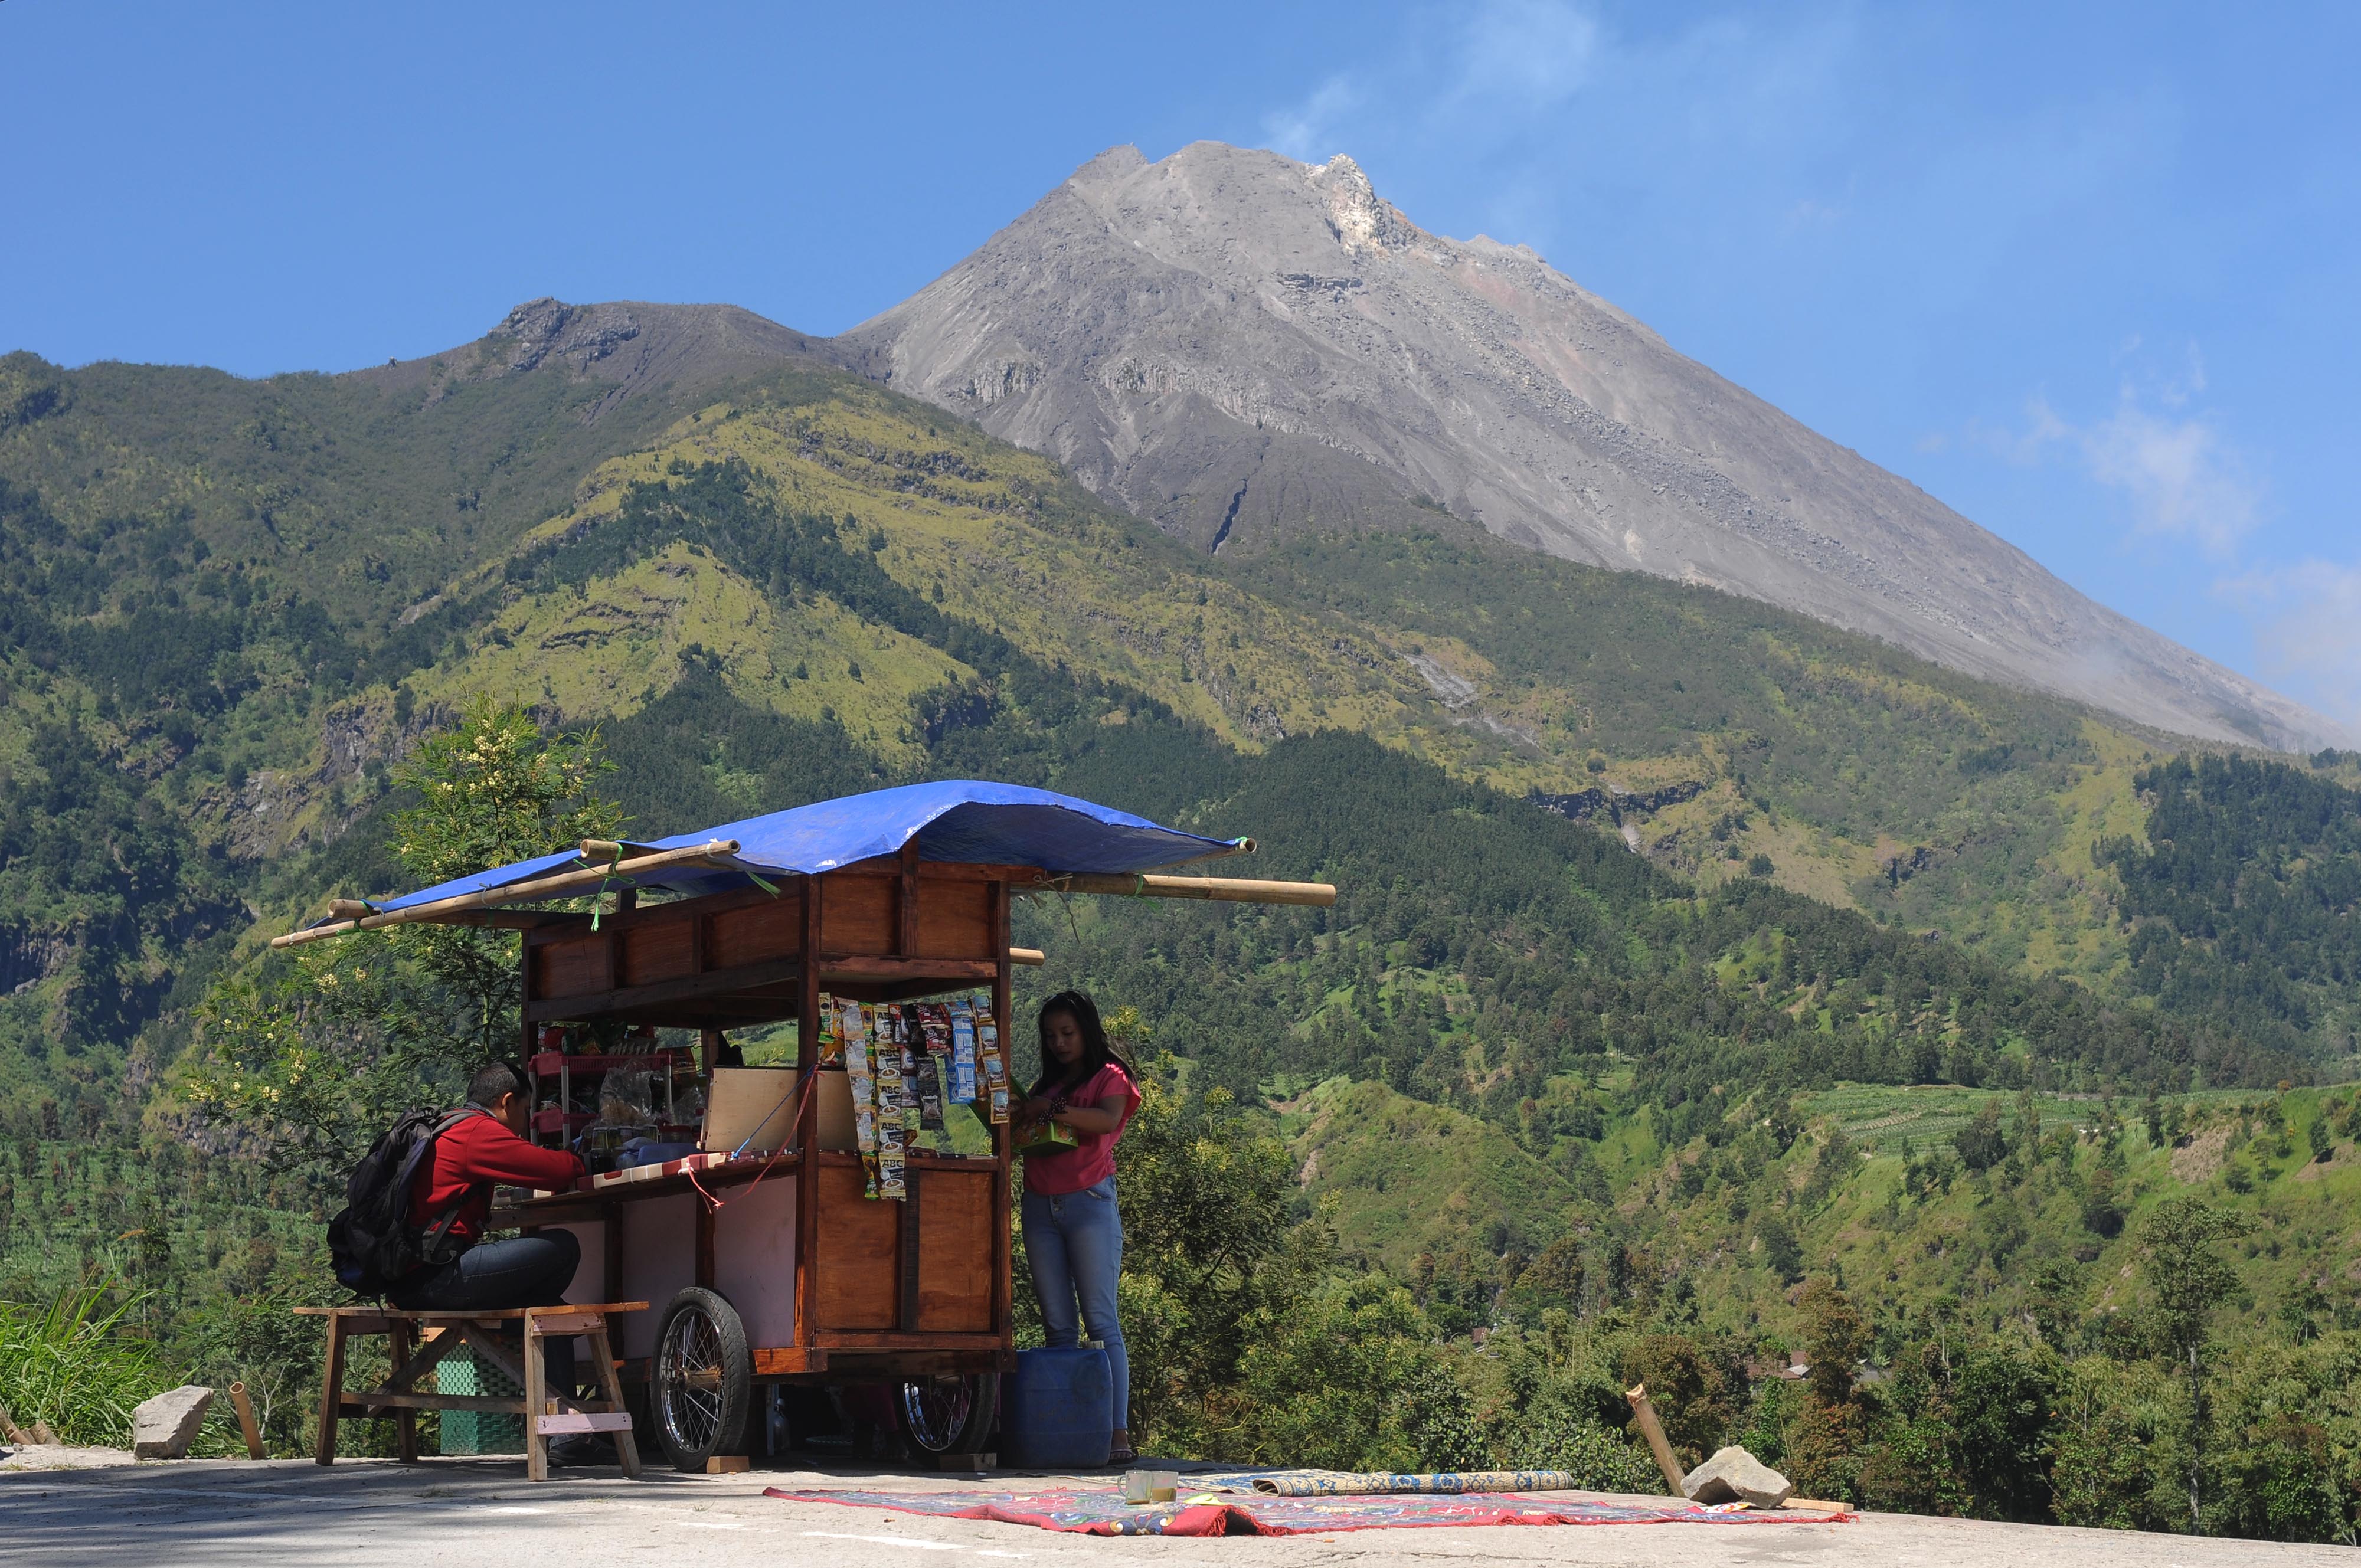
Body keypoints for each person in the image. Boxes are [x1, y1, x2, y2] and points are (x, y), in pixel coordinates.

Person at [388, 1061, 588, 1398]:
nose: (524, 1125)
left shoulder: (448, 1126)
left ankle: (566, 1438)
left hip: (412, 1278)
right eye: (525, 1111)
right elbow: (556, 1172)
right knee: (564, 1247)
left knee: (547, 1304)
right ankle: (564, 1432)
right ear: (507, 1102)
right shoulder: (479, 1133)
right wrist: (581, 1157)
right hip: (439, 1279)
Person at [1015, 990, 1142, 1464]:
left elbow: (1106, 1119)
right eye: (1051, 1035)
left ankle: (1115, 1434)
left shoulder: (1111, 1076)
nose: (1060, 1042)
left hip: (1089, 1202)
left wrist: (1048, 1110)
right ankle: (1073, 1433)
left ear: (1087, 1030)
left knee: (1101, 1320)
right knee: (1057, 1327)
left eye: (1068, 1032)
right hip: (1039, 1205)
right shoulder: (1045, 1082)